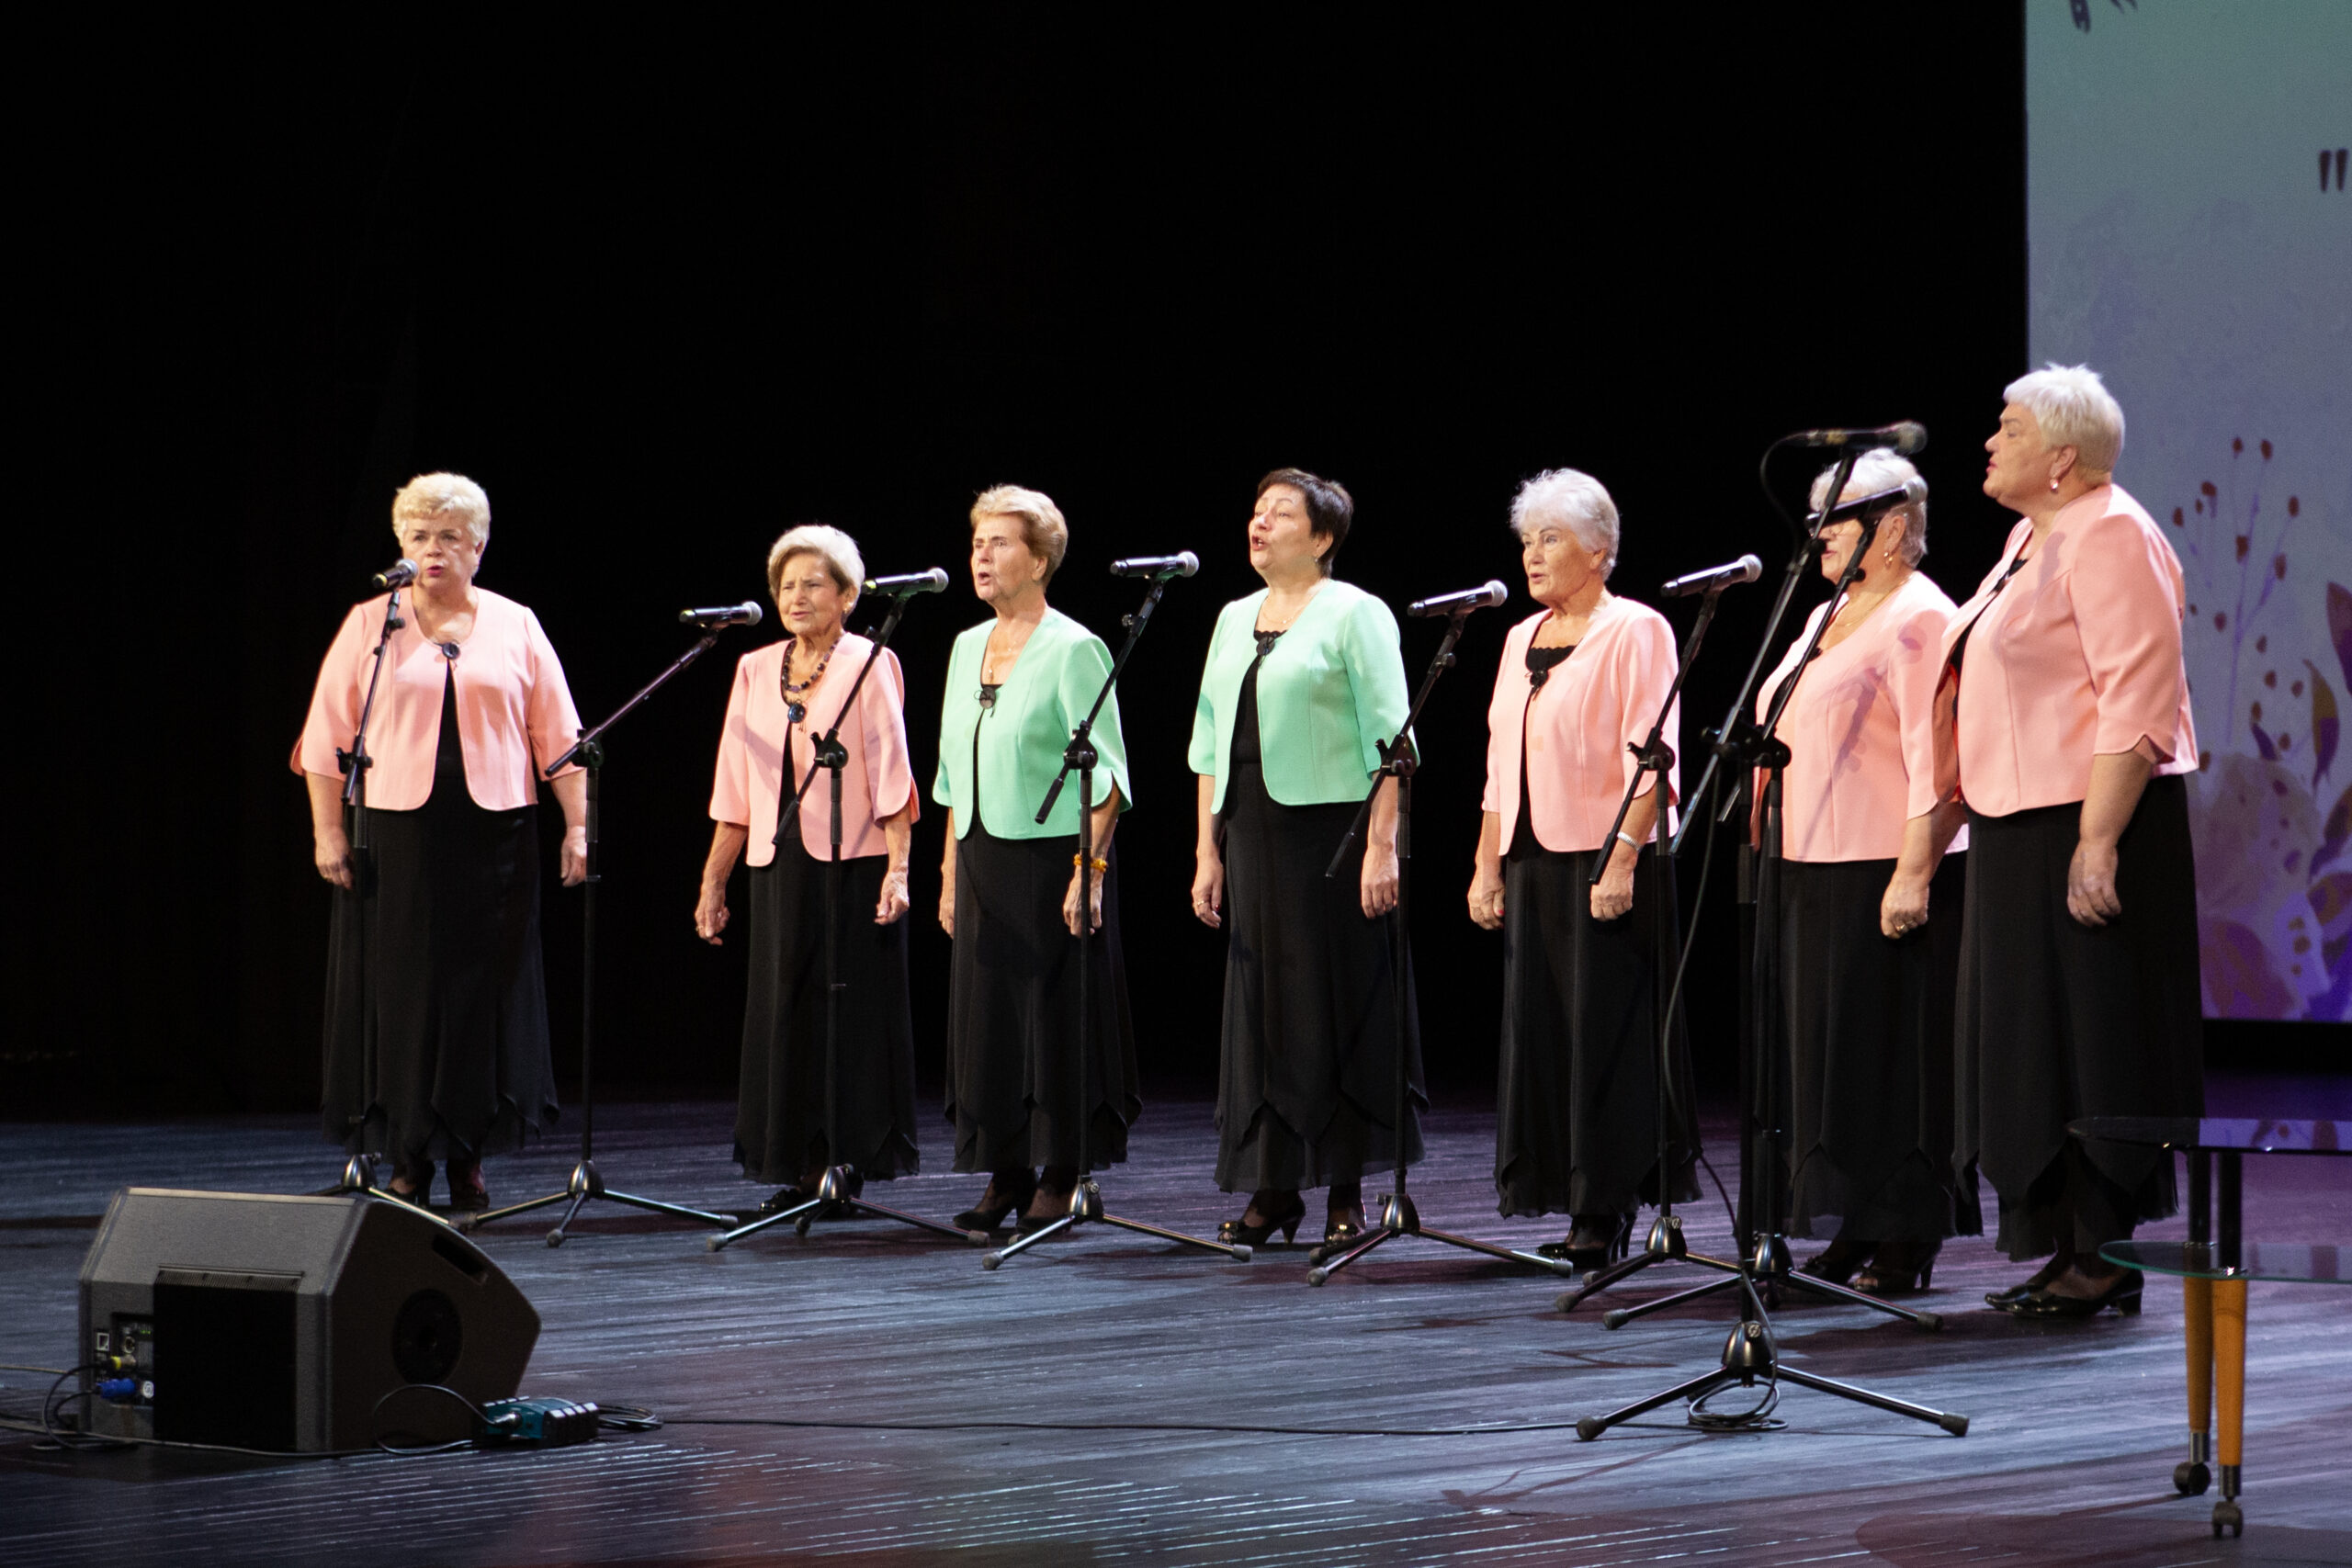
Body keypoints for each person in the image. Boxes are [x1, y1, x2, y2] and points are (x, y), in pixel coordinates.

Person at [1943, 364, 2203, 1319]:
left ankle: (2104, 1252)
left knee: (2093, 1037)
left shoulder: (2112, 533)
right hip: (2018, 826)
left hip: (2091, 819)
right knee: (2032, 1042)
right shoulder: (2028, 539)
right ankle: (2063, 1244)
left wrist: (2097, 840)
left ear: (2060, 457)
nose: (1989, 442)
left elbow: (2137, 698)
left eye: (2008, 428)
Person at [295, 473, 586, 1211]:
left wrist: (579, 825)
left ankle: (468, 1154)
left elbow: (561, 738)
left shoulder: (516, 623)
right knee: (403, 992)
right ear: (402, 544)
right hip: (396, 833)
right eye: (419, 535)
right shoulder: (371, 623)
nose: (433, 549)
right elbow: (325, 738)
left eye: (449, 537)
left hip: (496, 835)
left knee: (480, 991)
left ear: (477, 547)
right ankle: (406, 1152)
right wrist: (328, 829)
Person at [1754, 453, 1973, 1297]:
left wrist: (1914, 872)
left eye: (1835, 519)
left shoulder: (1920, 616)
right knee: (1834, 1062)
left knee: (1892, 1060)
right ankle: (1854, 1221)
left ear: (1890, 529)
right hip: (1811, 861)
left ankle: (1907, 1230)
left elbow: (1936, 757)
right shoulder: (1828, 612)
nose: (1818, 534)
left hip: (1886, 863)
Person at [1188, 468, 1422, 1249]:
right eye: (1256, 512)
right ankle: (1275, 1185)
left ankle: (1345, 1190)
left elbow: (1394, 742)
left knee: (1335, 1000)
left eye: (1280, 514)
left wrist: (1382, 846)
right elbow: (1208, 743)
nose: (1258, 524)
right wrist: (1207, 850)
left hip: (1334, 832)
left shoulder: (1355, 612)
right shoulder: (1232, 617)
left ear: (1322, 537)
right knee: (1265, 1008)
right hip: (1251, 830)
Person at [1468, 468, 1697, 1267]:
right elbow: (1499, 763)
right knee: (1546, 1034)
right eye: (1527, 540)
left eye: (1551, 538)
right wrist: (1487, 866)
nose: (1532, 555)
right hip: (1532, 857)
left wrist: (1624, 856)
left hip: (1606, 860)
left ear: (1599, 550)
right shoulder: (1517, 639)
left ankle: (1608, 1203)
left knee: (1606, 1035)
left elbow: (1655, 757)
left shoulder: (1637, 630)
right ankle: (1567, 1191)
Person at [935, 485, 1140, 1233]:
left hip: (1053, 858)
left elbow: (1108, 777)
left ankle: (1062, 1170)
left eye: (999, 543)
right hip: (981, 854)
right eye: (976, 543)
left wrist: (1090, 871)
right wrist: (949, 873)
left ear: (1040, 559)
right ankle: (1006, 1170)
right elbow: (952, 774)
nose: (981, 556)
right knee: (989, 1019)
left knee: (1053, 1016)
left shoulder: (1075, 648)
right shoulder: (965, 647)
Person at [696, 525, 921, 1207]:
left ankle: (846, 1160)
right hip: (777, 860)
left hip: (855, 861)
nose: (796, 596)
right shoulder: (755, 668)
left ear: (848, 596)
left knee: (849, 1011)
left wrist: (899, 870)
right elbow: (733, 786)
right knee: (785, 1007)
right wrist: (713, 881)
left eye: (813, 583)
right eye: (786, 585)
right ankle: (795, 1164)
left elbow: (893, 775)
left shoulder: (870, 661)